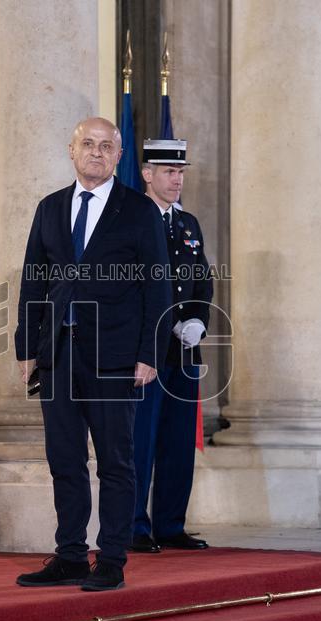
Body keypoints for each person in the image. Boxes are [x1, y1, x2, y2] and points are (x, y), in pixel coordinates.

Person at [14, 117, 171, 591]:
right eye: (88, 144)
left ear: (119, 156)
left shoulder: (138, 211)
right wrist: (27, 346)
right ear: (71, 150)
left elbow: (157, 288)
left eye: (107, 146)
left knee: (116, 462)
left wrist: (150, 353)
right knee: (64, 459)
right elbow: (33, 282)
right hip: (59, 355)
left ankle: (113, 559)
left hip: (116, 357)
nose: (97, 152)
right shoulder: (50, 208)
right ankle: (69, 556)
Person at [129, 139, 212, 554]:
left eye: (180, 172)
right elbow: (128, 288)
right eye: (168, 171)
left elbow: (202, 280)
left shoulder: (188, 224)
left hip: (184, 353)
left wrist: (198, 319)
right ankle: (133, 527)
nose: (177, 178)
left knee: (179, 442)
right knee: (140, 441)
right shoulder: (129, 219)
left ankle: (170, 524)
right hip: (147, 352)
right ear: (147, 174)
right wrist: (166, 325)